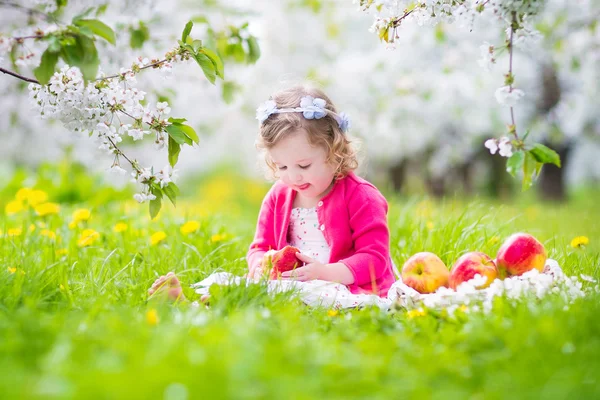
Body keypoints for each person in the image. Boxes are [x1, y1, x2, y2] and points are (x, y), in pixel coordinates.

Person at [148, 85, 396, 301]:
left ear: (335, 151)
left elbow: (374, 258)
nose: (293, 177)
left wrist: (324, 272)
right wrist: (263, 265)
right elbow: (259, 247)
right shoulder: (279, 195)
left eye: (304, 165)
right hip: (287, 283)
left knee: (310, 298)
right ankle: (189, 304)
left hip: (343, 285)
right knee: (240, 290)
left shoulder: (361, 197)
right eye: (282, 166)